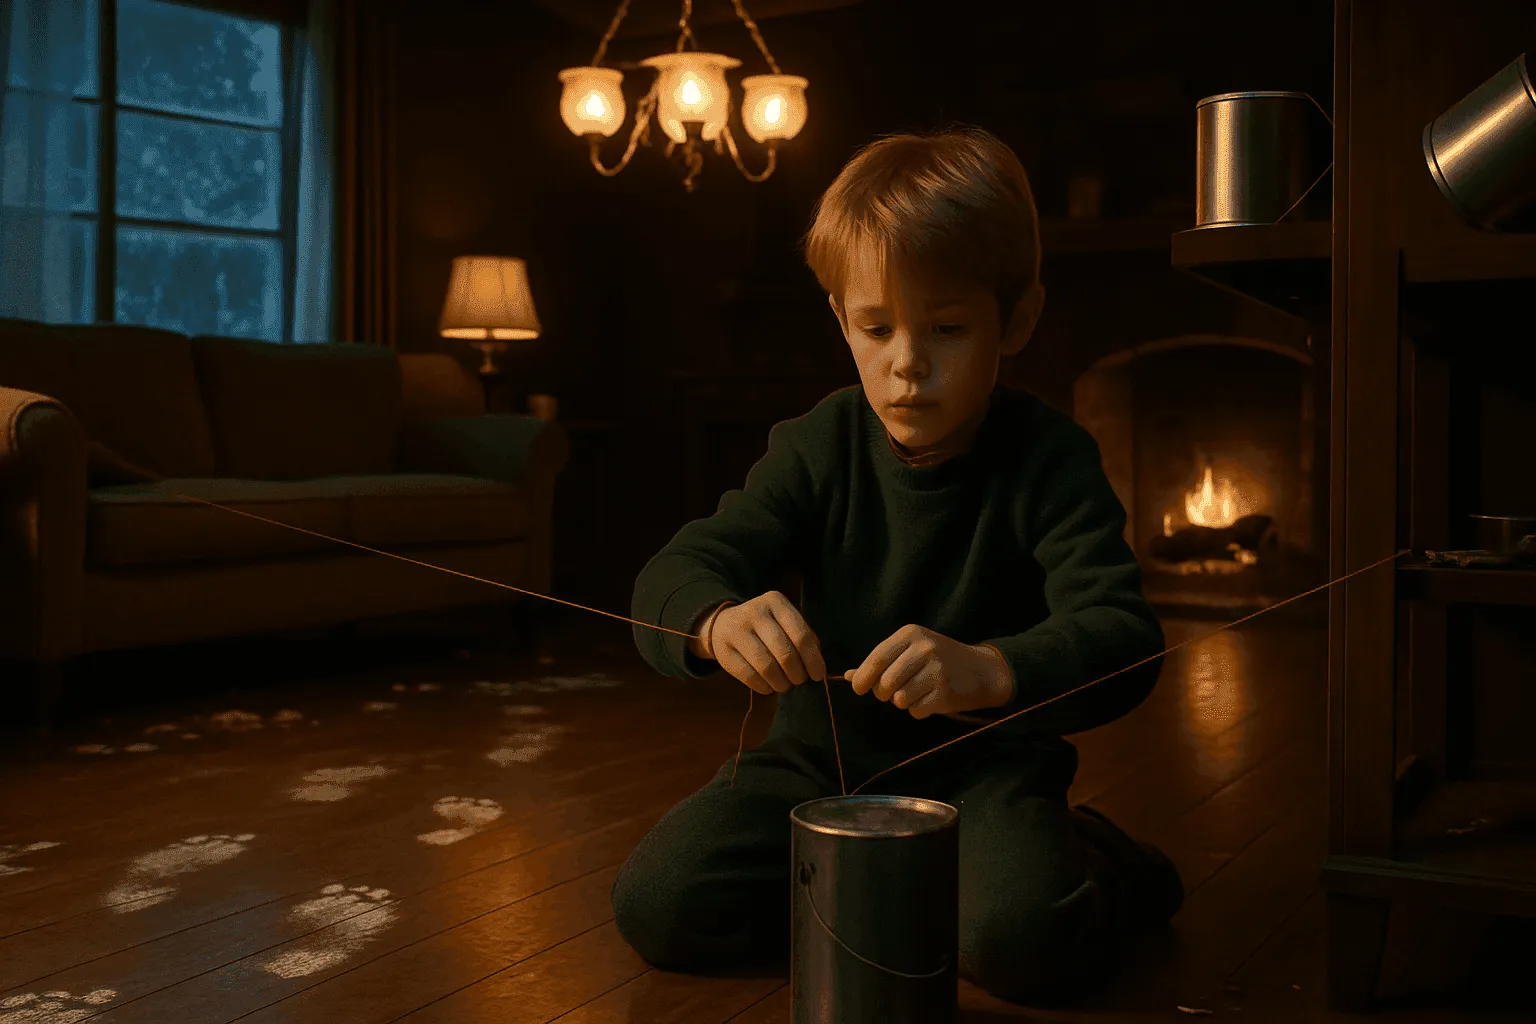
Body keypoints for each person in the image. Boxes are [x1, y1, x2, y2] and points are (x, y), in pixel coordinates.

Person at [611, 126, 1183, 1003]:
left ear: (1017, 319)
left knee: (1022, 943)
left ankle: (1096, 853)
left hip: (987, 772)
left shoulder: (1051, 460)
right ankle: (901, 896)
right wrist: (714, 622)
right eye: (876, 328)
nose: (907, 365)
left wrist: (991, 669)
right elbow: (677, 569)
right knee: (660, 904)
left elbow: (1124, 637)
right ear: (842, 323)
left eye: (947, 328)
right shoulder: (817, 447)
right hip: (819, 768)